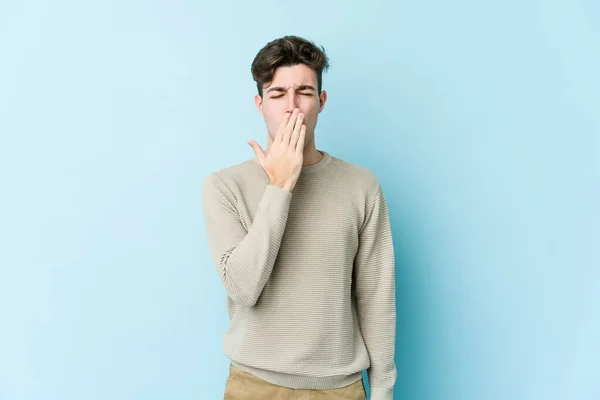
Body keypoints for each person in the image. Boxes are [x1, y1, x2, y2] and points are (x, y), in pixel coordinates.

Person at [201, 35, 397, 400]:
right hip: (253, 386)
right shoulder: (224, 186)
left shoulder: (361, 186)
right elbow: (243, 289)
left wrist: (383, 389)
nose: (292, 107)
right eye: (277, 95)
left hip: (339, 388)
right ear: (260, 104)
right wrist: (280, 186)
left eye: (304, 92)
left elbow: (375, 296)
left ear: (321, 102)